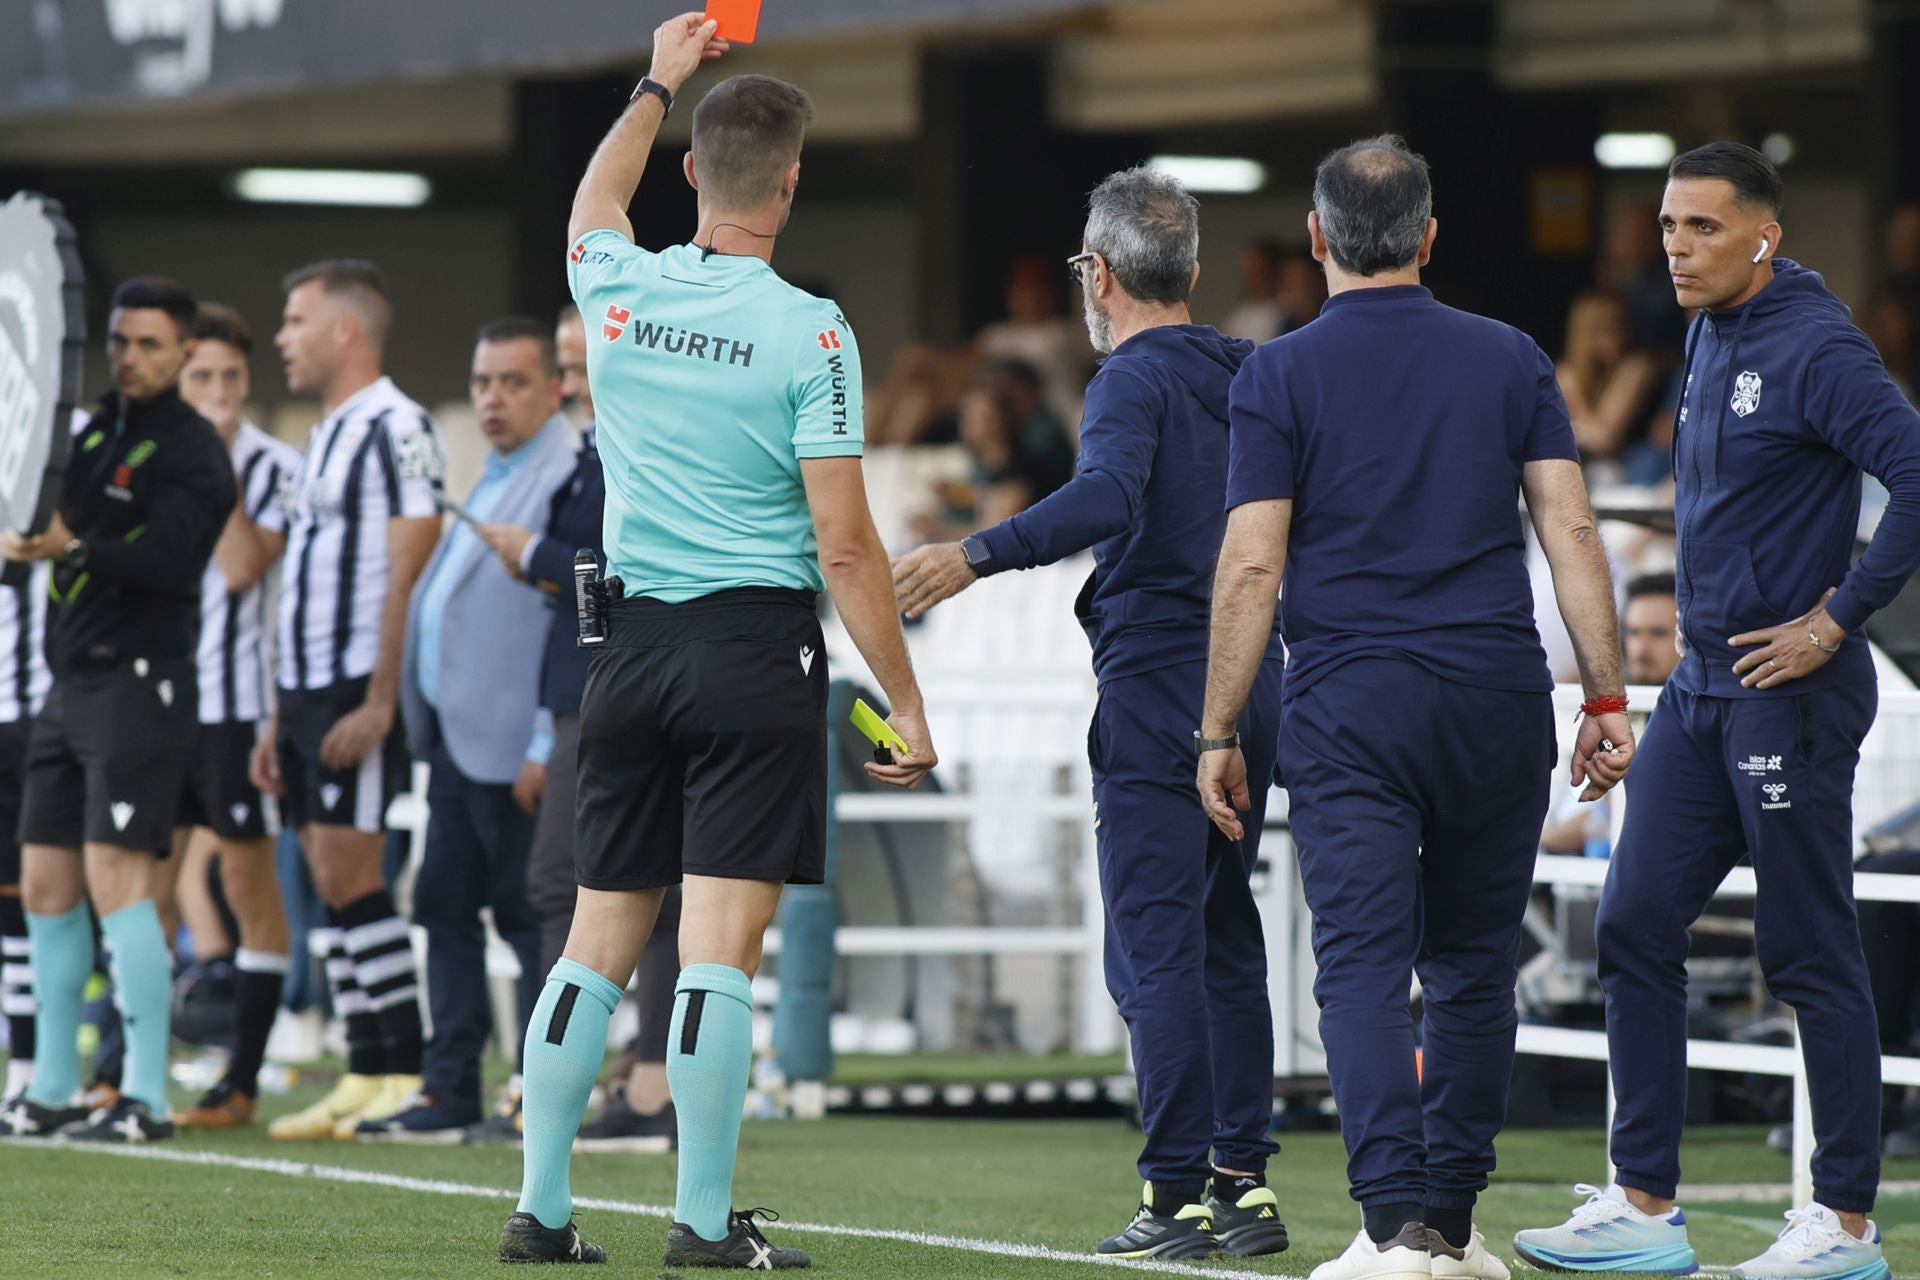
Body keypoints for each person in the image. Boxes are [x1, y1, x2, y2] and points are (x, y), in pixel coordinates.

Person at [496, 18, 937, 1268]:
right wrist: (904, 697)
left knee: (593, 942)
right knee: (719, 951)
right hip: (753, 651)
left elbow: (593, 197)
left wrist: (658, 76)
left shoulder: (620, 286)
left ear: (691, 171)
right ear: (792, 183)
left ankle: (542, 1207)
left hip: (627, 653)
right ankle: (697, 1223)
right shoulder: (815, 330)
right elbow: (847, 547)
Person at [1197, 136, 1633, 1280]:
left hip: (1353, 702)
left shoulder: (1279, 372)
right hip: (1497, 696)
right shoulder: (1510, 357)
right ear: (1429, 237)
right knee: (1475, 969)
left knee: (1359, 967)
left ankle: (1391, 1226)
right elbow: (1573, 530)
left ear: (1315, 239)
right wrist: (1603, 692)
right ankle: (1450, 1222)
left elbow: (1249, 567)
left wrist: (1217, 727)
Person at [1517, 142, 1920, 1280]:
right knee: (1634, 924)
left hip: (1788, 693)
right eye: (1666, 225)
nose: (1675, 249)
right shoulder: (1702, 328)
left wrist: (1837, 619)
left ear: (1764, 235)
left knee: (1808, 950)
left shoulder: (1821, 347)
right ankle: (1646, 1202)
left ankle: (1842, 1223)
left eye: (1701, 227)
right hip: (1697, 690)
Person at [892, 167, 1289, 1262]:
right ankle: (1243, 1188)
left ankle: (1174, 1199)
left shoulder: (1130, 378)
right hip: (1259, 678)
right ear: (1196, 271)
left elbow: (1109, 497)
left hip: (1163, 676)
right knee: (1223, 933)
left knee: (1155, 947)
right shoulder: (1253, 369)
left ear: (1098, 273)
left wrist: (974, 551)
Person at [1, 277, 237, 1141]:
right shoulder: (96, 430)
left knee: (120, 886)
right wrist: (28, 542)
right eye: (121, 342)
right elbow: (56, 529)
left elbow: (173, 562)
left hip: (141, 683)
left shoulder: (194, 449)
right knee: (44, 885)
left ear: (183, 351)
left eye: (148, 345)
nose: (130, 359)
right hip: (67, 687)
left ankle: (145, 1098)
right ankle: (51, 1087)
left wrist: (74, 547)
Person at [357, 318, 579, 1141]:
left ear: (555, 386)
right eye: (482, 382)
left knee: (528, 922)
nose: (491, 398)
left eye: (512, 381)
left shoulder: (566, 475)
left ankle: (534, 1093)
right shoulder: (496, 473)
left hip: (518, 747)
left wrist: (547, 746)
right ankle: (448, 1087)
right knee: (444, 908)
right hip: (454, 743)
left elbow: (577, 622)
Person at [473, 304, 681, 1152]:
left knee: (568, 885)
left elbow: (615, 574)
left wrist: (533, 557)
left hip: (614, 693)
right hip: (591, 695)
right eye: (560, 364)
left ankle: (592, 1087)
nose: (565, 380)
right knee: (625, 893)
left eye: (573, 358)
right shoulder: (598, 451)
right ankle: (633, 1084)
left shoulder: (629, 452)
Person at [252, 260, 445, 1142]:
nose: (282, 338)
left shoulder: (397, 425)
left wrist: (379, 700)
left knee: (353, 873)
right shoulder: (326, 434)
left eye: (294, 321)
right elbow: (297, 577)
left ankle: (398, 1067)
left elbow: (411, 564)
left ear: (343, 331)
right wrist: (273, 713)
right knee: (327, 880)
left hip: (351, 687)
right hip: (301, 691)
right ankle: (364, 1069)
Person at [169, 303, 304, 1129]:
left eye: (231, 377)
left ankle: (240, 1081)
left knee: (248, 886)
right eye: (202, 379)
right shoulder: (147, 461)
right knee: (138, 885)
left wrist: (211, 461)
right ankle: (124, 1073)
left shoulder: (275, 467)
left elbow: (248, 566)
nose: (219, 392)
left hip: (239, 710)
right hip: (156, 704)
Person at [0, 561, 50, 1113]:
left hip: (47, 718)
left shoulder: (42, 483)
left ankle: (120, 1072)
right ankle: (27, 1067)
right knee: (13, 898)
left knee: (62, 894)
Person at [1556, 291, 1663, 467]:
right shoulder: (1568, 371)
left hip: (1633, 468)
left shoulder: (1637, 366)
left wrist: (1571, 390)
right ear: (1584, 334)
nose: (1618, 335)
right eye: (1605, 328)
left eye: (1621, 325)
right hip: (1588, 467)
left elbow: (1604, 440)